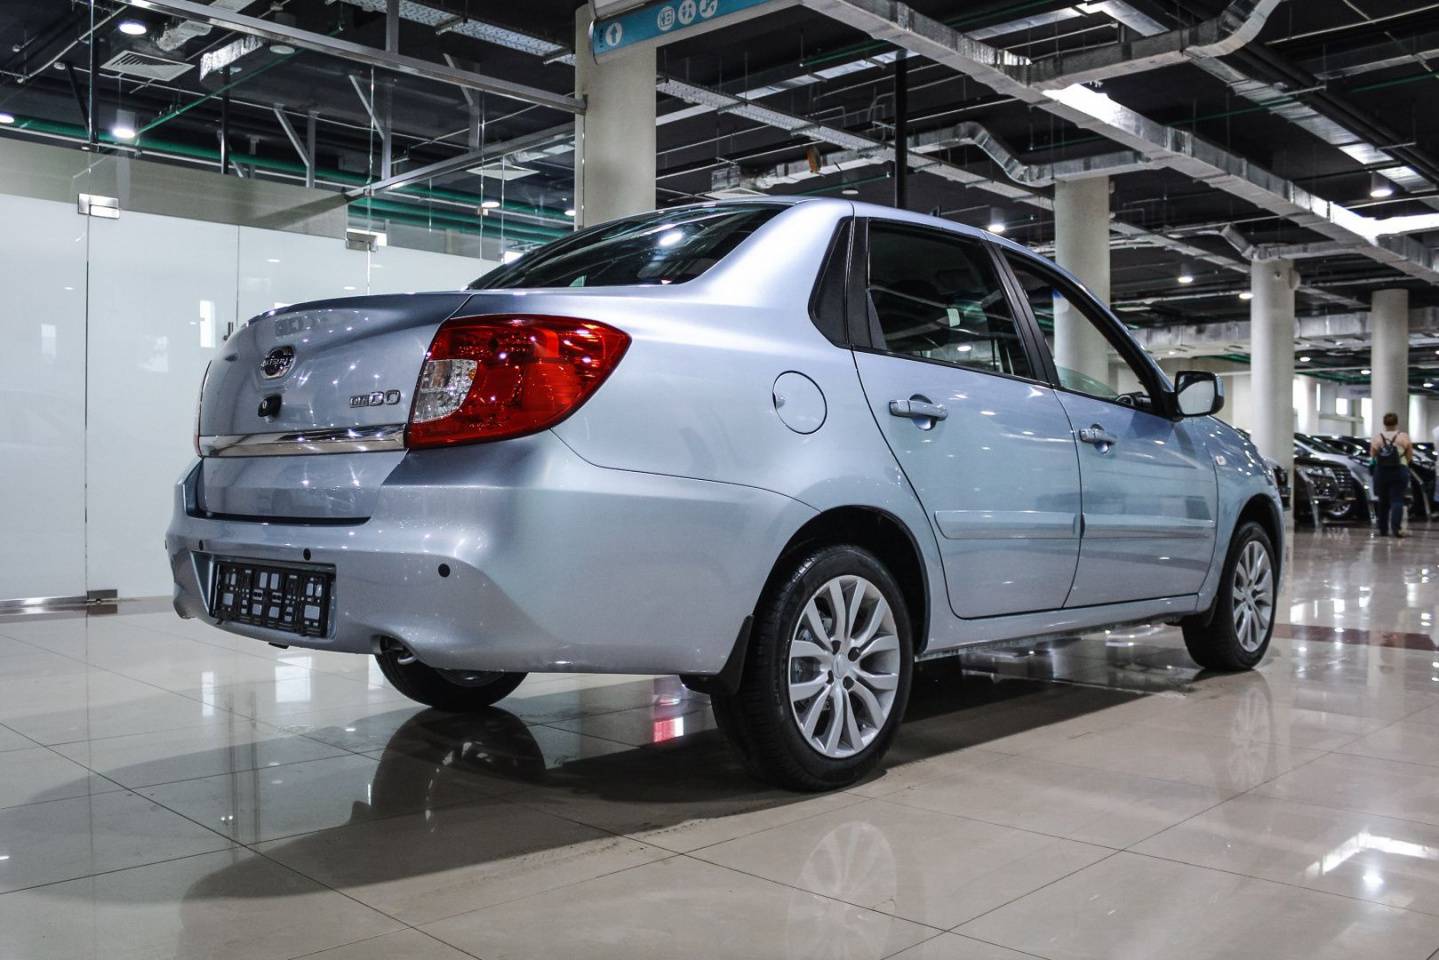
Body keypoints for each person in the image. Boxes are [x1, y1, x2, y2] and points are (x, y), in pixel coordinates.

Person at [1371, 412, 1412, 538]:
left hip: (1382, 471)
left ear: (1384, 423)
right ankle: (1396, 529)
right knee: (1397, 499)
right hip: (1399, 470)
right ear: (1396, 423)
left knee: (1383, 501)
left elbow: (1373, 455)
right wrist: (1404, 463)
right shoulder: (1403, 436)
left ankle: (1383, 530)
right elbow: (1409, 454)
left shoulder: (1378, 437)